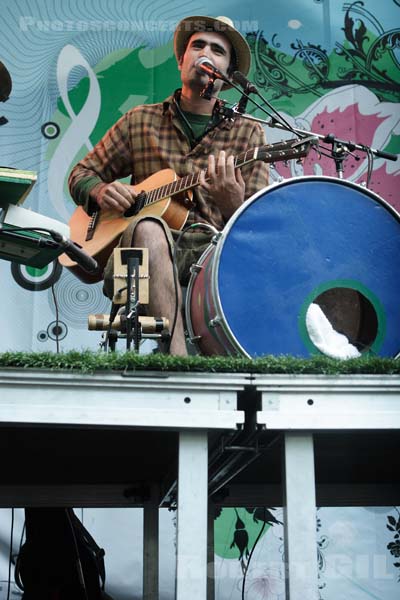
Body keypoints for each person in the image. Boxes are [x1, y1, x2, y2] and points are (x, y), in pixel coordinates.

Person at [68, 15, 269, 355]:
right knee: (148, 226)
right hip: (141, 255)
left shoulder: (249, 132)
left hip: (213, 258)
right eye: (197, 46)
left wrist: (232, 203)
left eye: (217, 50)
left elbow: (258, 232)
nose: (206, 53)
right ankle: (179, 362)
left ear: (228, 75)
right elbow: (80, 175)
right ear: (181, 60)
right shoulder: (140, 120)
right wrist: (101, 191)